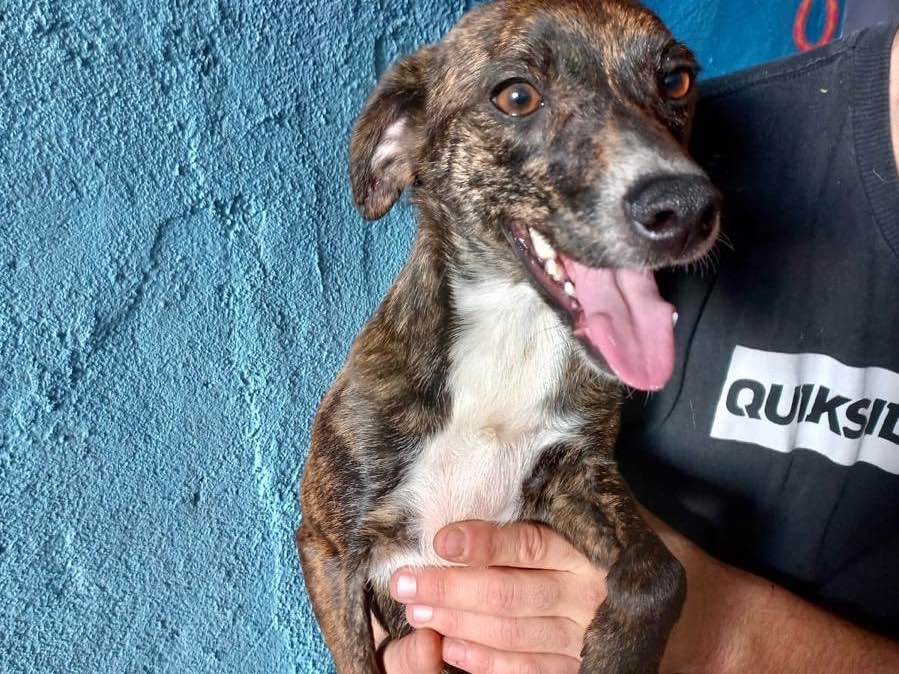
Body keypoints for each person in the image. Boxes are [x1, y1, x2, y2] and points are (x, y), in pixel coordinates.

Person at [377, 22, 899, 674]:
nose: (669, 190)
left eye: (670, 84)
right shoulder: (719, 138)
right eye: (518, 98)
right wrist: (412, 622)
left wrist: (725, 638)